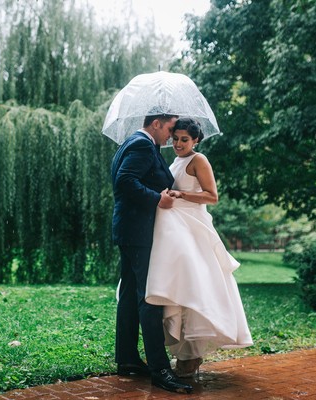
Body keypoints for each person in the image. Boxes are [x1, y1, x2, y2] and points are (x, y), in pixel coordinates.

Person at [145, 117, 253, 377]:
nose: (179, 143)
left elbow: (211, 196)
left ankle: (192, 353)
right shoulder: (173, 161)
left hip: (193, 226)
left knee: (196, 283)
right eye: (176, 138)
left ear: (196, 141)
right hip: (176, 227)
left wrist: (181, 195)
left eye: (185, 139)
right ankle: (183, 350)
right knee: (180, 282)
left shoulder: (199, 160)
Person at [111, 113, 193, 394]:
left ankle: (127, 359)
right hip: (138, 232)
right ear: (156, 123)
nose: (172, 135)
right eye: (170, 128)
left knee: (132, 295)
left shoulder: (132, 143)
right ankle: (160, 370)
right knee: (150, 297)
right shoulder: (142, 145)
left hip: (130, 231)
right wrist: (158, 198)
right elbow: (125, 181)